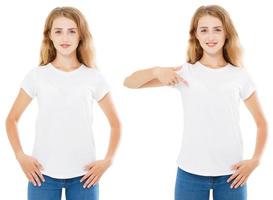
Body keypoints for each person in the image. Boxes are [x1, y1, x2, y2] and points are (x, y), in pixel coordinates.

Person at [124, 5, 267, 200]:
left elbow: (261, 122)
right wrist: (156, 71)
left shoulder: (240, 76)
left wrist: (255, 161)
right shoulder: (185, 73)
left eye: (217, 29)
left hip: (232, 174)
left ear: (227, 34)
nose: (211, 36)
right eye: (204, 30)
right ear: (195, 35)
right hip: (190, 174)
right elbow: (130, 83)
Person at [6, 6, 121, 200]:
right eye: (58, 31)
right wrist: (20, 156)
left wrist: (107, 161)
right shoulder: (36, 76)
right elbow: (12, 119)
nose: (65, 38)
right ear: (49, 36)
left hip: (85, 176)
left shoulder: (93, 77)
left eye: (72, 31)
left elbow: (115, 123)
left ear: (80, 36)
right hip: (42, 174)